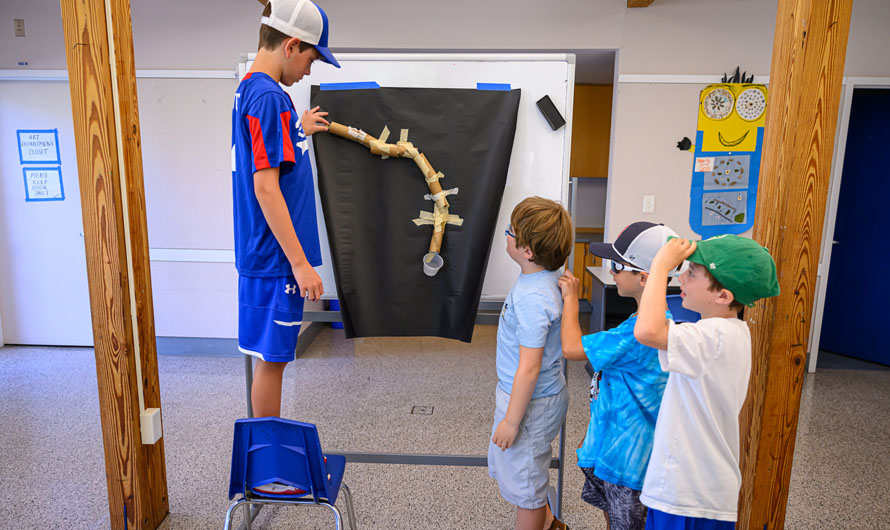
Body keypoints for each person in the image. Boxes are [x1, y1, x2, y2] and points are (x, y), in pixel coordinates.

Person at [231, 0, 339, 421]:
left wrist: (297, 129)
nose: (309, 71)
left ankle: (268, 465)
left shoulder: (252, 91)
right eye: (311, 59)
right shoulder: (270, 98)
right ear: (291, 45)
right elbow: (265, 188)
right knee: (272, 362)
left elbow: (264, 156)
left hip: (266, 256)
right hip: (276, 261)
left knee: (269, 359)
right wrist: (299, 264)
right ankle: (269, 471)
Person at [633, 234, 780, 529]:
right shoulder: (729, 332)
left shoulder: (713, 336)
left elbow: (647, 330)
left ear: (723, 296)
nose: (682, 279)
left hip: (687, 493)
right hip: (700, 491)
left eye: (692, 273)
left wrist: (660, 268)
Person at [558, 222, 676, 530]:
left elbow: (571, 348)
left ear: (644, 277)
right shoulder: (648, 321)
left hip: (627, 463)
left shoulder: (637, 333)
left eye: (617, 265)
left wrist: (572, 298)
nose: (612, 272)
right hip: (615, 448)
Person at [489, 197, 573, 530]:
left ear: (527, 251)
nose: (506, 235)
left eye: (511, 231)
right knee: (520, 470)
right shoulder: (548, 274)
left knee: (527, 490)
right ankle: (551, 524)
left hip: (531, 404)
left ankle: (541, 519)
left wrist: (512, 421)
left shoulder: (534, 299)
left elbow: (530, 367)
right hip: (529, 397)